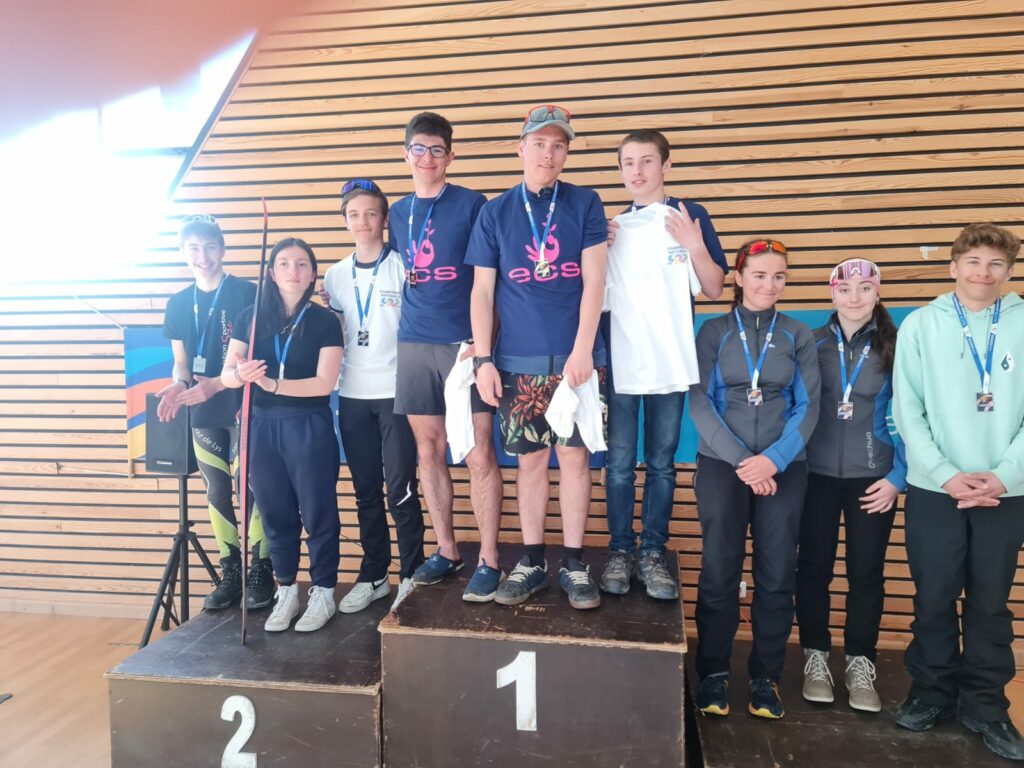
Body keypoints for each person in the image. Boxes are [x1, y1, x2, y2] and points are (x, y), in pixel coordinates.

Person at [467, 104, 609, 610]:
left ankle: (573, 561)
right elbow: (482, 292)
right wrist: (484, 360)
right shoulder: (495, 212)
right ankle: (532, 561)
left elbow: (595, 281)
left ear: (566, 152)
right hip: (516, 363)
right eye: (540, 143)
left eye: (559, 145)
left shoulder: (585, 202)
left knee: (575, 460)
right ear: (521, 148)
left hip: (576, 363)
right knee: (530, 463)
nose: (549, 153)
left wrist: (583, 349)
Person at [892, 223, 1024, 761]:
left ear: (1009, 271)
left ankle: (986, 706)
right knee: (934, 596)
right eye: (973, 262)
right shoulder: (921, 325)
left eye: (995, 264)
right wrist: (946, 474)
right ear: (953, 267)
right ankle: (931, 693)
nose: (983, 273)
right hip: (934, 489)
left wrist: (1005, 474)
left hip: (1005, 491)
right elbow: (907, 409)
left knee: (990, 602)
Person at [689, 238, 820, 719]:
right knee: (719, 571)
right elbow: (699, 403)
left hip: (784, 469)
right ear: (739, 278)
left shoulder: (797, 334)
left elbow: (809, 407)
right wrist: (745, 461)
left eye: (779, 276)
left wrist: (774, 461)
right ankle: (714, 674)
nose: (769, 284)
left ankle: (767, 678)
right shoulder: (714, 332)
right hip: (723, 466)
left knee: (777, 574)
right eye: (760, 275)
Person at [601, 129, 729, 601]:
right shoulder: (612, 229)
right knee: (618, 465)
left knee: (661, 465)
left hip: (671, 364)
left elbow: (713, 288)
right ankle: (620, 549)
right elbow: (590, 296)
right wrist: (598, 247)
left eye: (647, 161)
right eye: (628, 163)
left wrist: (694, 245)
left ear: (666, 166)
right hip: (622, 364)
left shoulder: (689, 216)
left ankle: (652, 551)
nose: (637, 171)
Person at [388, 111, 504, 602]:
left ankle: (490, 559)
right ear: (406, 154)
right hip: (414, 342)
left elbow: (492, 279)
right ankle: (448, 550)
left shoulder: (473, 204)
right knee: (428, 451)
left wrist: (486, 343)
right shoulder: (397, 213)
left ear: (450, 156)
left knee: (479, 453)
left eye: (437, 149)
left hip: (464, 344)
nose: (428, 157)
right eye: (419, 148)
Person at [794, 258, 906, 713]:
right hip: (815, 477)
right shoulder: (811, 342)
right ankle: (816, 658)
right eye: (845, 289)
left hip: (874, 480)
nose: (854, 297)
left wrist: (898, 477)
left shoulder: (897, 345)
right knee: (813, 569)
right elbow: (794, 407)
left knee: (866, 573)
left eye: (864, 288)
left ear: (877, 293)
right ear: (832, 294)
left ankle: (861, 662)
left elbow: (913, 413)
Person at [221, 238, 344, 633]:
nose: (294, 271)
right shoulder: (251, 317)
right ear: (272, 273)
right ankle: (286, 589)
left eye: (302, 264)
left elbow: (324, 383)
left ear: (312, 274)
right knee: (275, 513)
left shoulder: (325, 321)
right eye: (285, 263)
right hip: (260, 425)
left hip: (307, 424)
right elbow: (227, 375)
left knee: (318, 511)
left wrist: (272, 384)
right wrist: (240, 374)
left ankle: (323, 590)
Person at [156, 213, 273, 611]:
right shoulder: (177, 303)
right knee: (217, 490)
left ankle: (261, 568)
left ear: (222, 250)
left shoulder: (247, 293)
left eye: (209, 247)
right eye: (193, 248)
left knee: (251, 485)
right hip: (203, 409)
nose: (202, 257)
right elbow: (181, 364)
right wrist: (179, 384)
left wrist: (220, 383)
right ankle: (232, 570)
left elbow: (257, 355)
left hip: (244, 404)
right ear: (182, 252)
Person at [322, 179, 425, 613]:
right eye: (354, 214)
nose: (362, 221)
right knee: (365, 490)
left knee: (401, 490)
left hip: (396, 393)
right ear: (345, 222)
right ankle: (375, 574)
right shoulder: (334, 276)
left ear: (384, 219)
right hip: (352, 395)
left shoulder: (403, 266)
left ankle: (411, 575)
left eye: (370, 213)